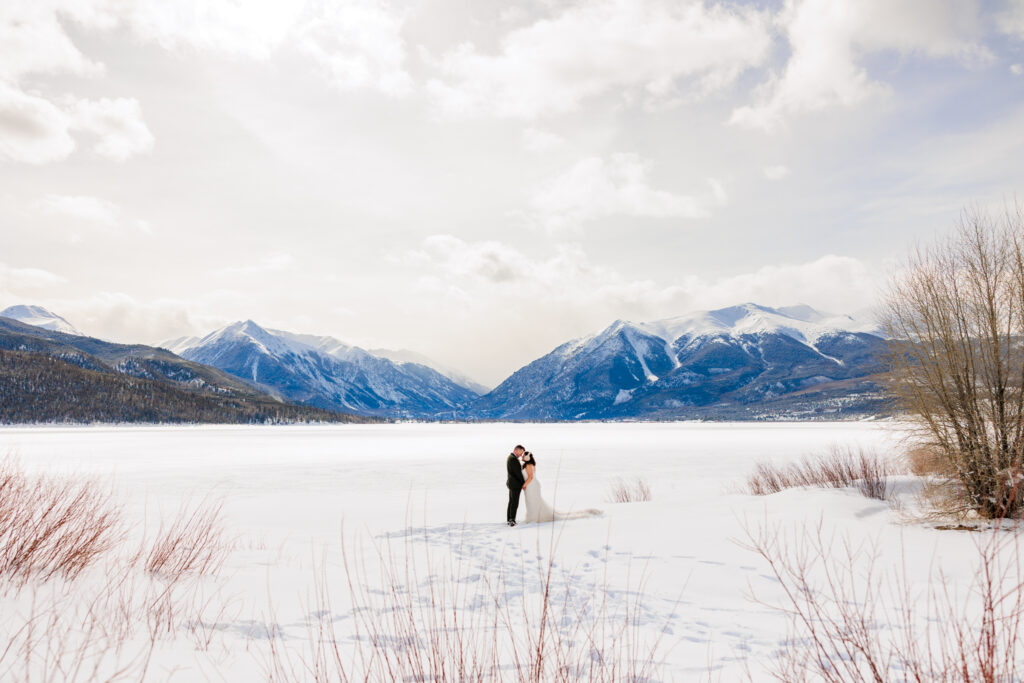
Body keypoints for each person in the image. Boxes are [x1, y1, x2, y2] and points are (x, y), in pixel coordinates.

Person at [521, 449, 602, 523]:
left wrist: (524, 485)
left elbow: (531, 476)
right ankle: (534, 516)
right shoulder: (528, 464)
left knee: (533, 502)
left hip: (531, 485)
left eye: (524, 456)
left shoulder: (528, 465)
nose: (523, 457)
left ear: (528, 457)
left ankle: (534, 517)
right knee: (533, 502)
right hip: (531, 486)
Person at [506, 445, 526, 526]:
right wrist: (523, 483)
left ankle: (509, 519)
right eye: (521, 452)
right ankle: (512, 520)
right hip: (515, 484)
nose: (521, 455)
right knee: (514, 502)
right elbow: (518, 474)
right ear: (517, 450)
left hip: (511, 483)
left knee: (511, 502)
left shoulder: (511, 457)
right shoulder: (513, 459)